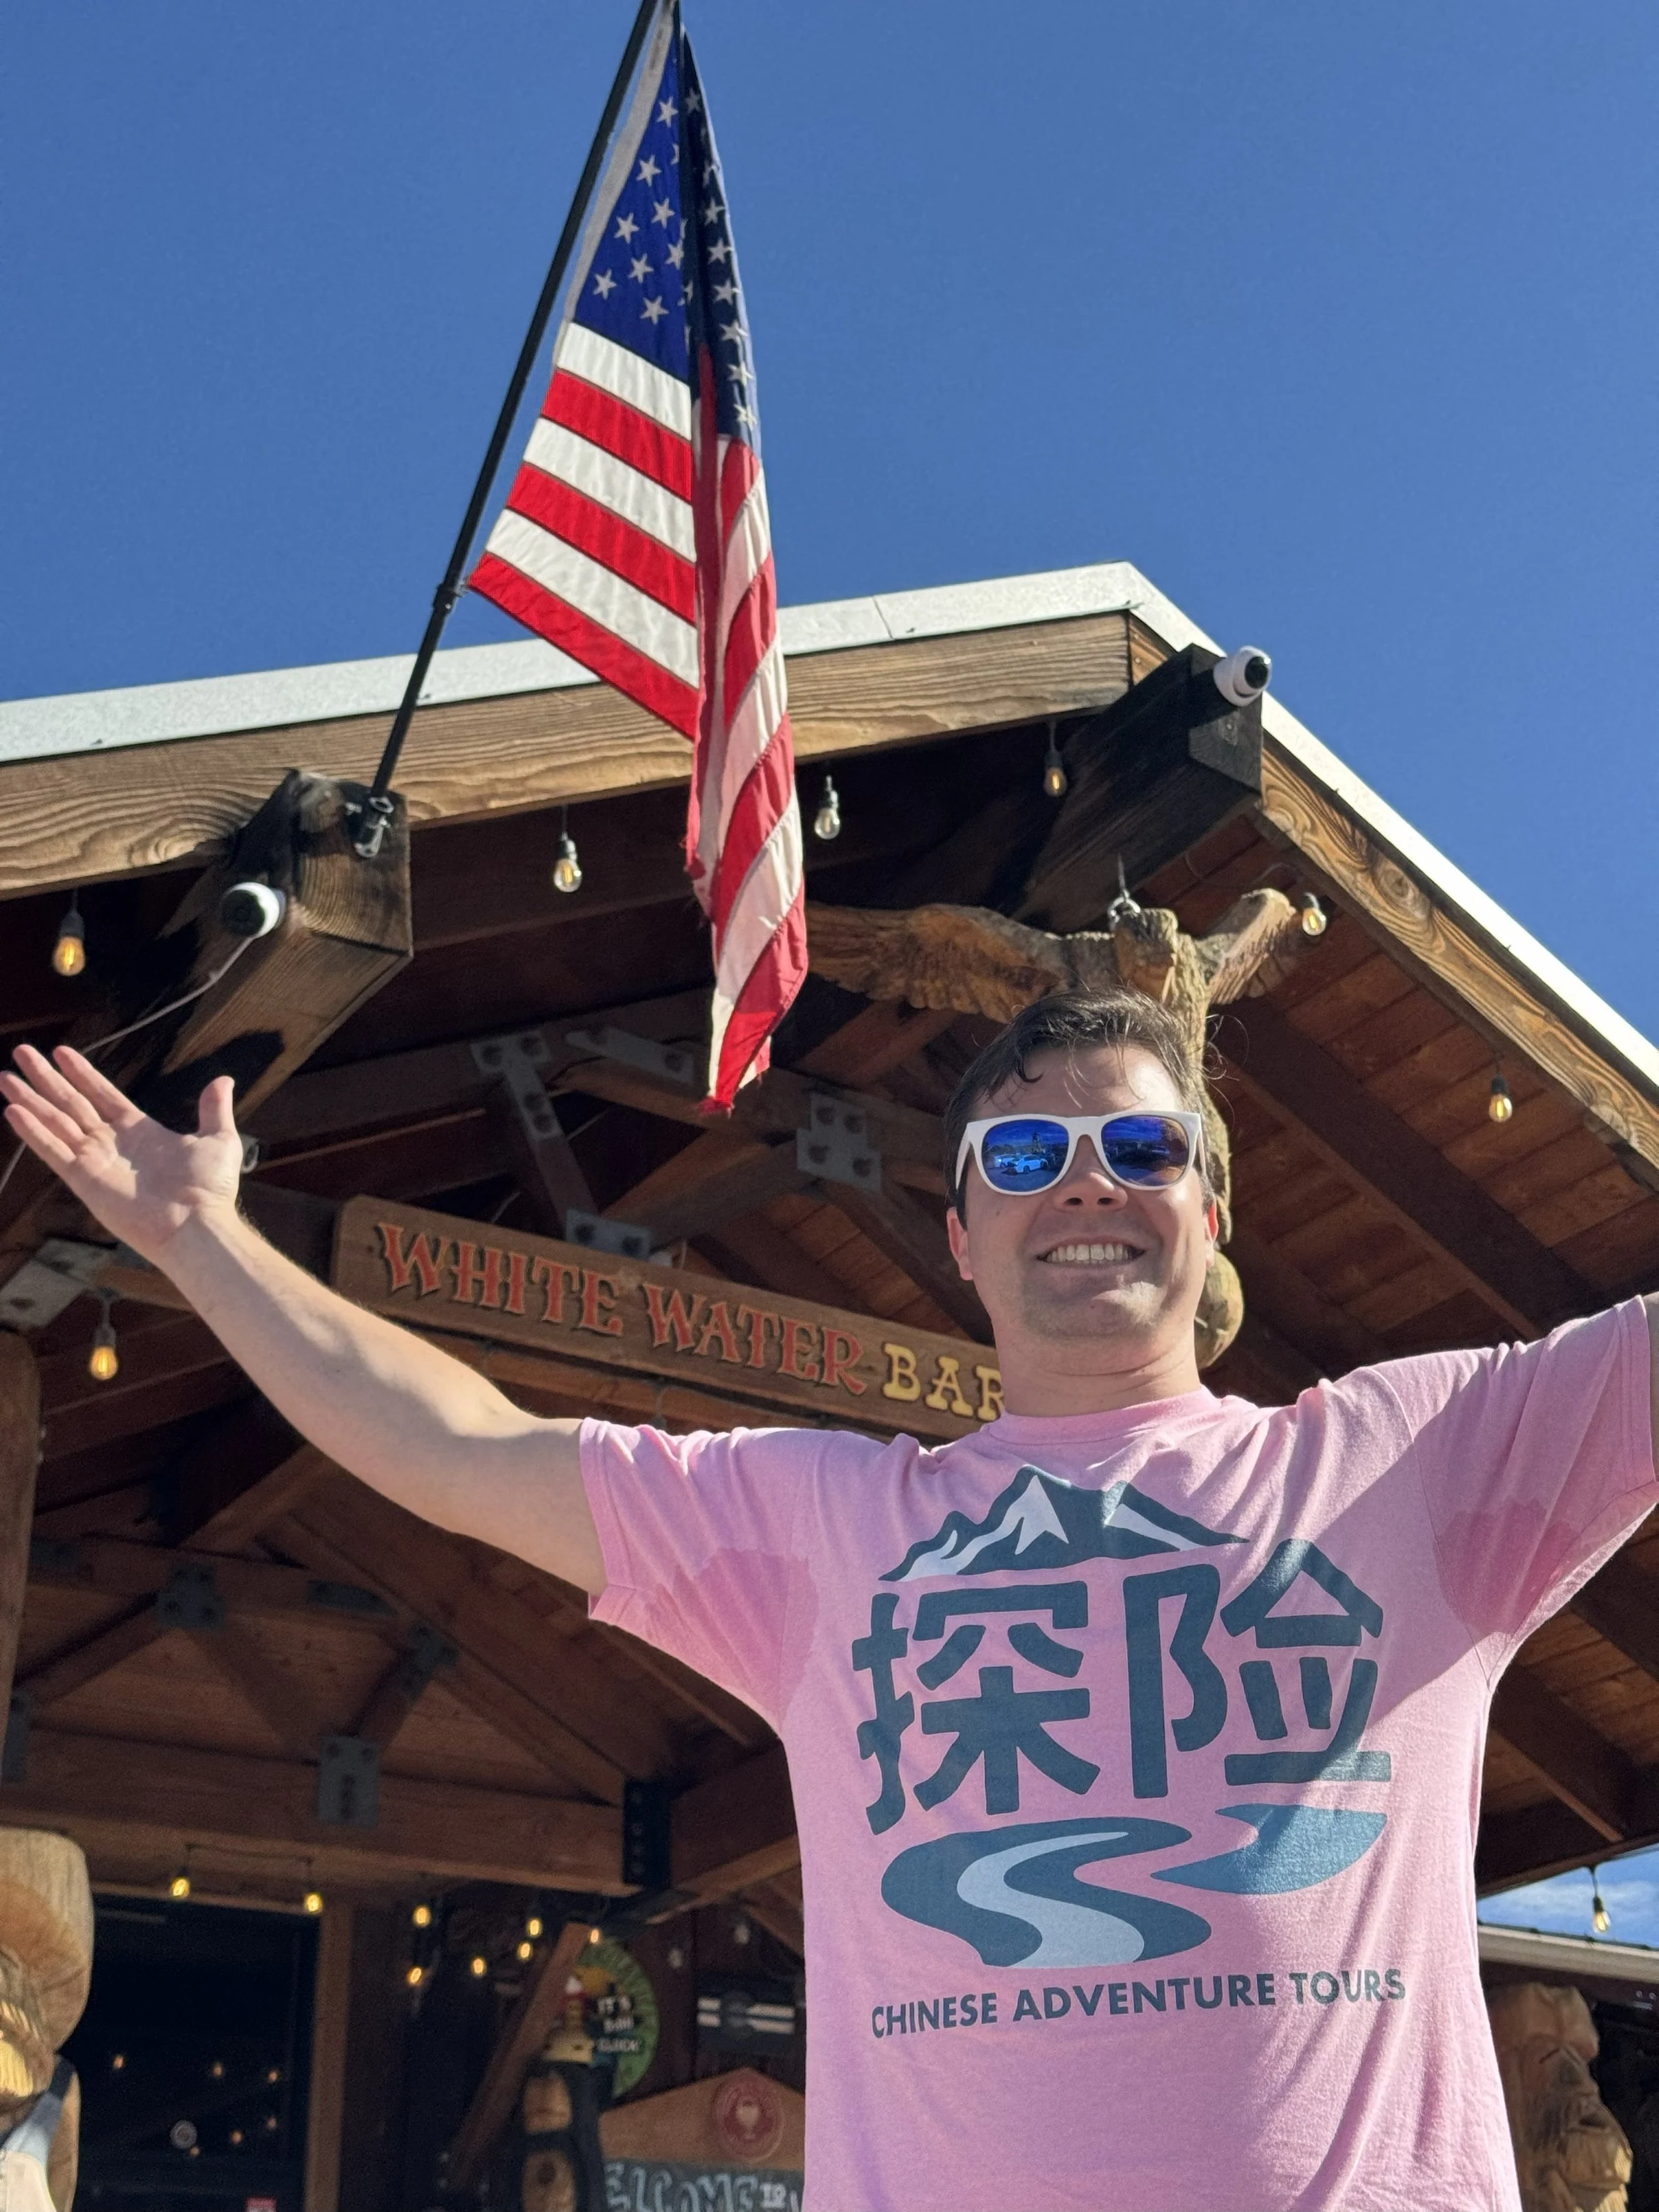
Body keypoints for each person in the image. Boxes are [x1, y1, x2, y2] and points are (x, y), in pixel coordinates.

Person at [4, 990, 1655, 2212]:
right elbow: (462, 1440)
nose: (1085, 1183)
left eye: (1137, 1146)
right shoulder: (829, 1527)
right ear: (960, 1233)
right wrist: (205, 1243)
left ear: (1207, 1213)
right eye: (1026, 1152)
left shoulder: (1415, 1464)